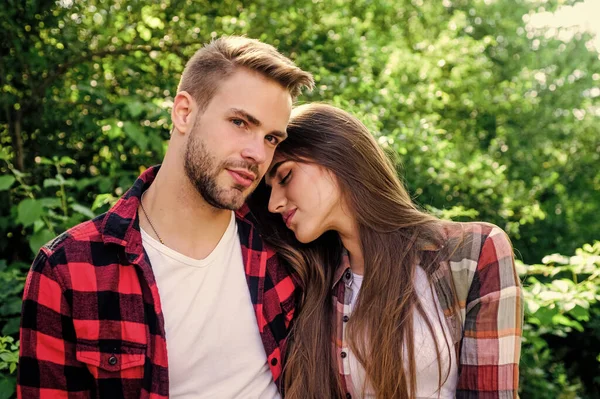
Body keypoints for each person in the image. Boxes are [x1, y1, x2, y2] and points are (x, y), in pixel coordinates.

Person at [18, 36, 313, 399]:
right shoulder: (67, 269)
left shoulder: (282, 244)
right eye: (239, 122)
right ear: (184, 113)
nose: (256, 153)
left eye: (271, 138)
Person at [248, 103, 524, 399]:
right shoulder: (312, 281)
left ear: (336, 153)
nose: (273, 203)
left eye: (285, 176)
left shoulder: (474, 252)